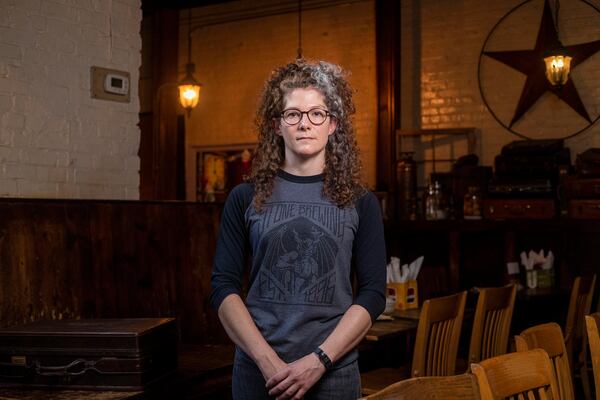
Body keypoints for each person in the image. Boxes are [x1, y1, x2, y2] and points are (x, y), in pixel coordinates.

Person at [210, 59, 386, 400]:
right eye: (293, 114)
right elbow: (222, 287)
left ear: (333, 123)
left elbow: (373, 294)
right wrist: (266, 361)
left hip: (332, 374)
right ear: (277, 125)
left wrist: (320, 360)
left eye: (317, 113)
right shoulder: (244, 197)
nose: (305, 124)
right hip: (258, 374)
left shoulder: (361, 201)